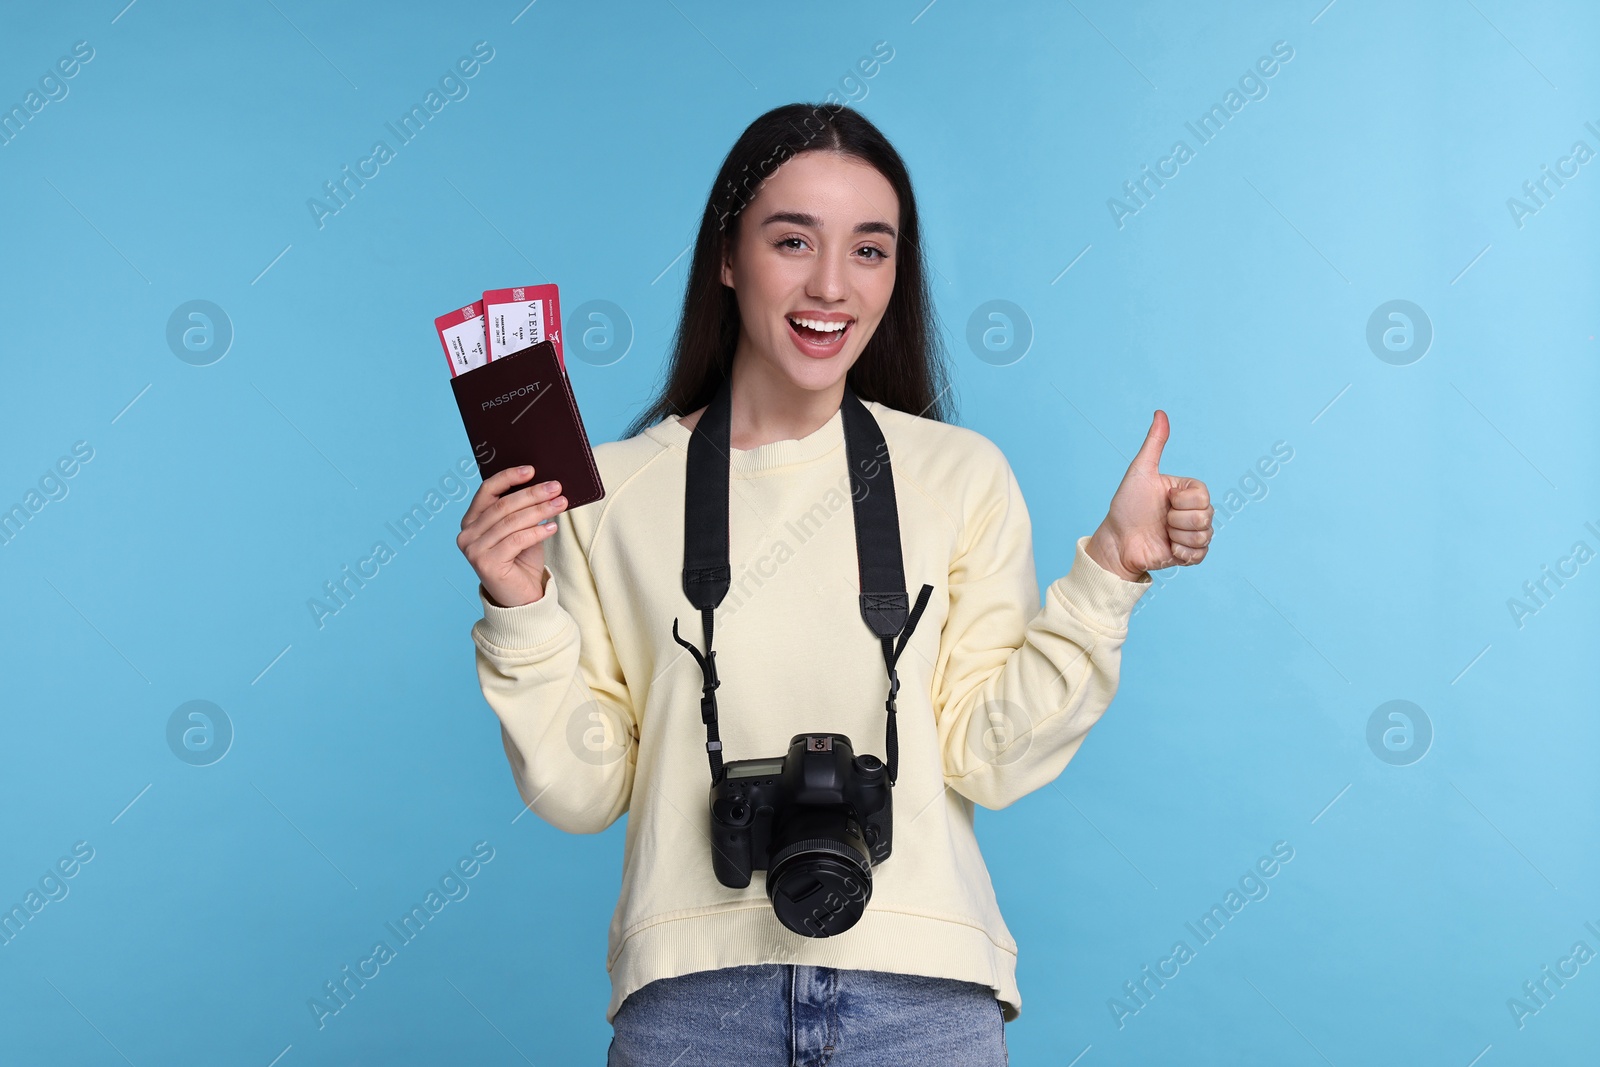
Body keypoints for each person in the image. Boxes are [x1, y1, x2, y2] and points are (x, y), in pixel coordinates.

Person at [456, 102, 1212, 1065]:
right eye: (791, 239)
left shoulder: (959, 475)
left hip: (924, 1000)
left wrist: (1110, 570)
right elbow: (584, 788)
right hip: (693, 1002)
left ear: (899, 273)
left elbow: (990, 756)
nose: (830, 285)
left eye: (869, 250)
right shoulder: (611, 495)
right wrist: (519, 610)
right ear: (727, 257)